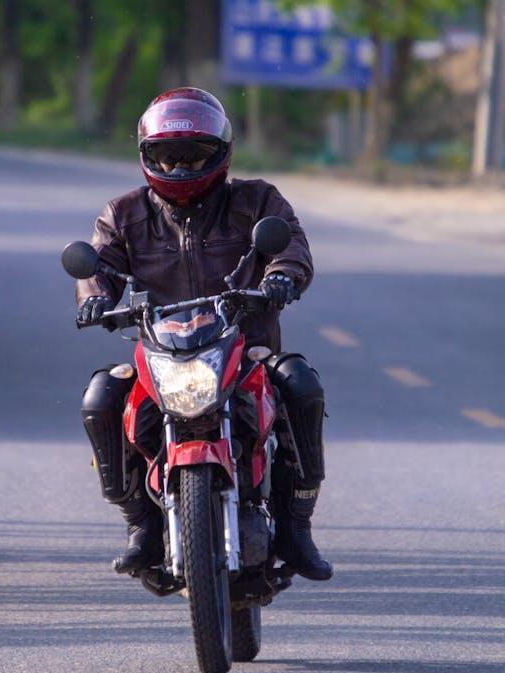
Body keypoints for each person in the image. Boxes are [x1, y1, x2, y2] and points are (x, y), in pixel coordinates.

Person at [76, 87, 332, 581]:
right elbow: (99, 263)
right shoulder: (123, 213)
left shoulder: (257, 200)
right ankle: (140, 524)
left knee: (301, 384)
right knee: (102, 396)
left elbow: (291, 245)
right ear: (146, 156)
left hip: (245, 347)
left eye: (193, 156)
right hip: (162, 352)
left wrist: (281, 276)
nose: (178, 170)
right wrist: (94, 297)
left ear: (221, 154)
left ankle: (298, 528)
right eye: (166, 157)